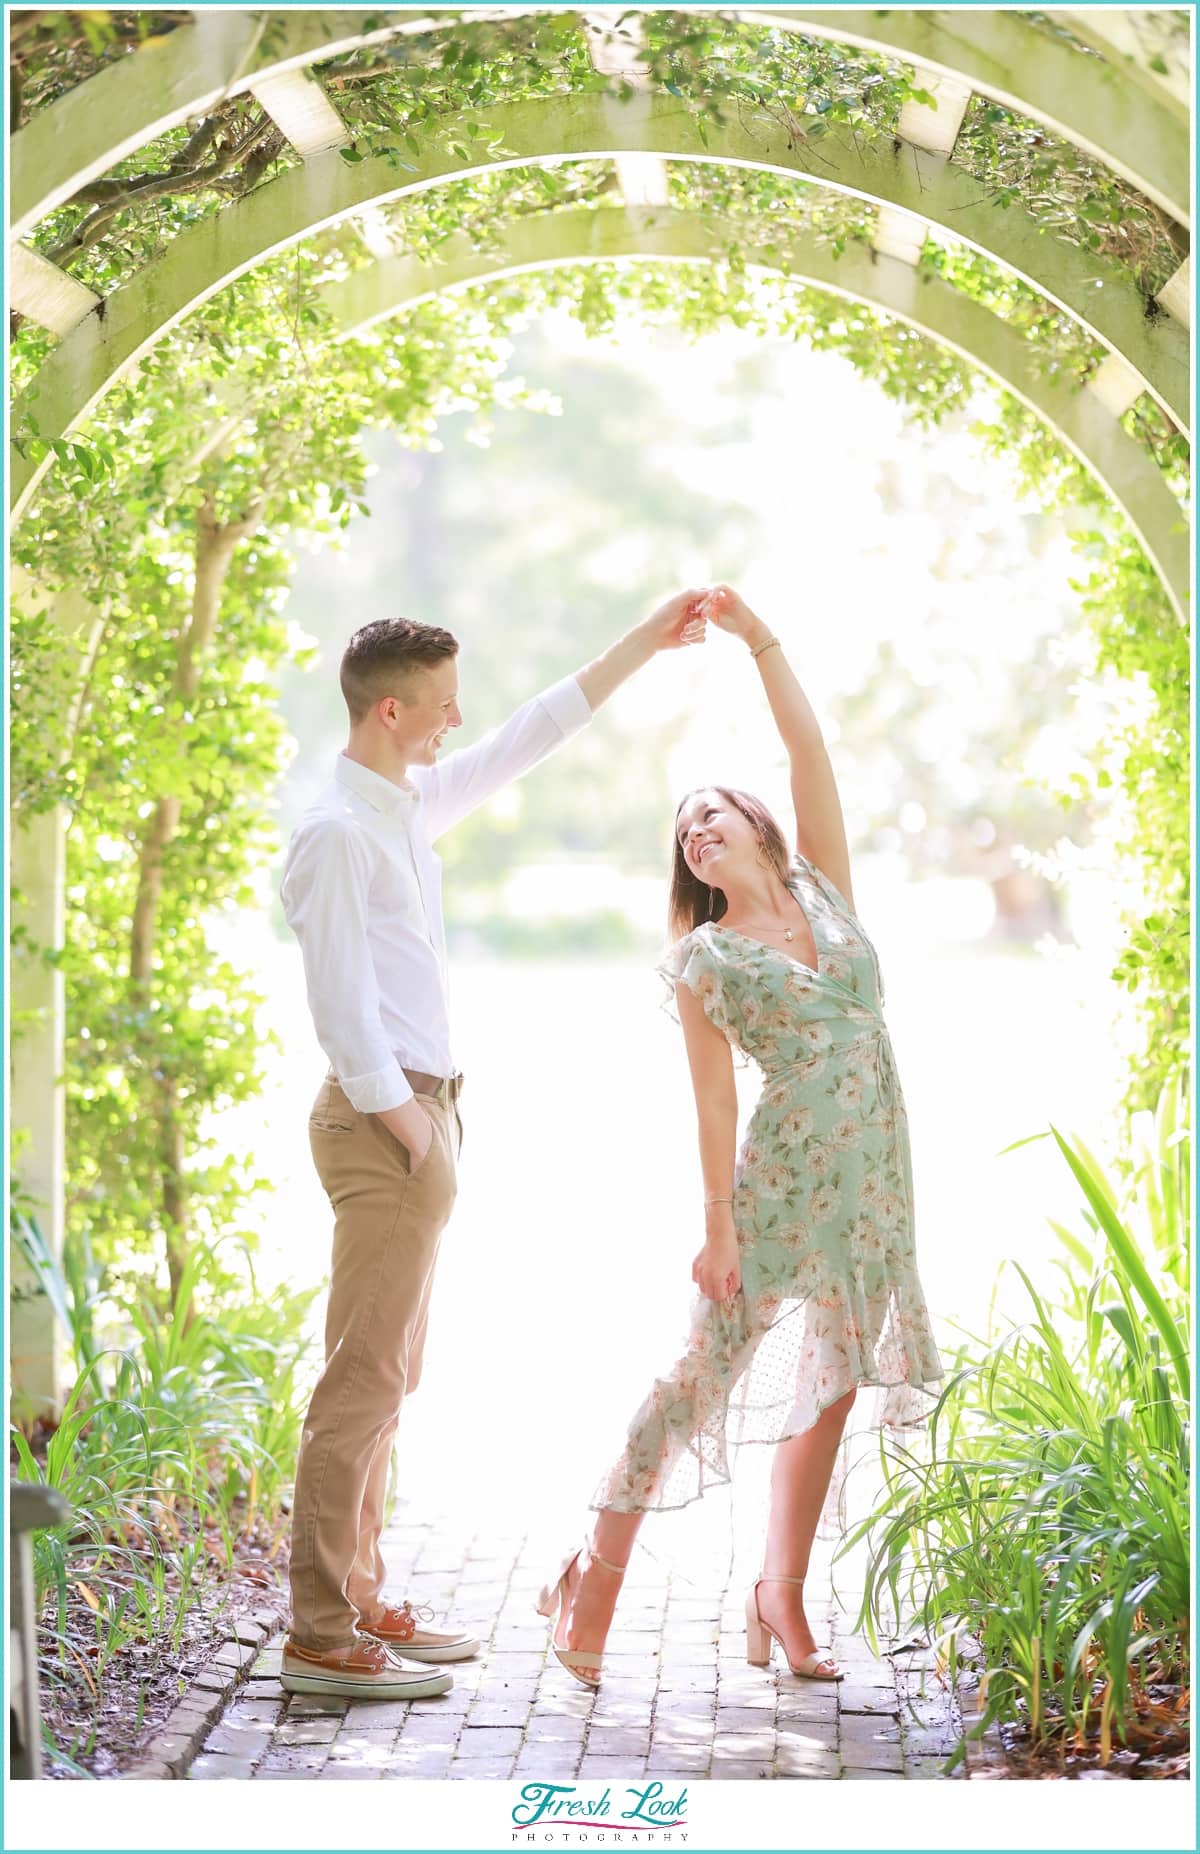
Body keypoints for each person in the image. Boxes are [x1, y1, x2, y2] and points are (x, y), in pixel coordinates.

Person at [278, 593, 708, 1700]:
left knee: (393, 1373)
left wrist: (645, 643)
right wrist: (406, 1120)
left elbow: (532, 732)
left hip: (426, 1114)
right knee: (361, 1379)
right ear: (386, 710)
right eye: (439, 709)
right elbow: (338, 1002)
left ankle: (361, 1594)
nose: (454, 724)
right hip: (387, 1121)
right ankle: (321, 1632)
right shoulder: (336, 834)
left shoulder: (404, 809)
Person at [537, 584, 944, 1688]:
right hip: (776, 1185)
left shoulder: (828, 891)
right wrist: (715, 1228)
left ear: (757, 826)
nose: (697, 830)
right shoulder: (706, 960)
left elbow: (806, 745)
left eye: (711, 813)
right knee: (699, 1379)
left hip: (874, 1176)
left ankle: (781, 1598)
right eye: (684, 832)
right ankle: (597, 1568)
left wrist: (759, 636)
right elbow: (713, 1105)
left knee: (838, 1380)